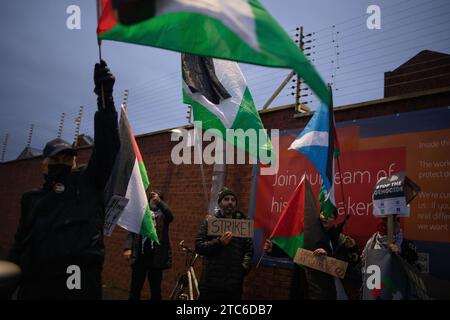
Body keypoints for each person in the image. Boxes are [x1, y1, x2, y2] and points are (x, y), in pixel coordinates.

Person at [8, 60, 120, 299]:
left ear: (74, 162)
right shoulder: (31, 200)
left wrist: (105, 99)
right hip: (36, 287)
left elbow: (108, 147)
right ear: (44, 165)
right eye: (55, 161)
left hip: (77, 287)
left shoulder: (88, 184)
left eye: (66, 160)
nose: (61, 164)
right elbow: (19, 245)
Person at [195, 187, 253, 300]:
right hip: (211, 284)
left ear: (236, 204)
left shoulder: (243, 224)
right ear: (220, 203)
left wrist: (243, 269)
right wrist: (219, 242)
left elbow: (249, 250)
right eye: (226, 199)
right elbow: (199, 246)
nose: (230, 202)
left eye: (233, 200)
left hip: (233, 285)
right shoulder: (210, 222)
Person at [123, 190, 173, 300]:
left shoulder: (163, 217)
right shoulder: (142, 215)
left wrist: (160, 202)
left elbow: (170, 215)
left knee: (155, 290)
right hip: (140, 256)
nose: (153, 201)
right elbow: (132, 232)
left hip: (156, 258)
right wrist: (128, 248)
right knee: (135, 288)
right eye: (151, 199)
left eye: (156, 199)